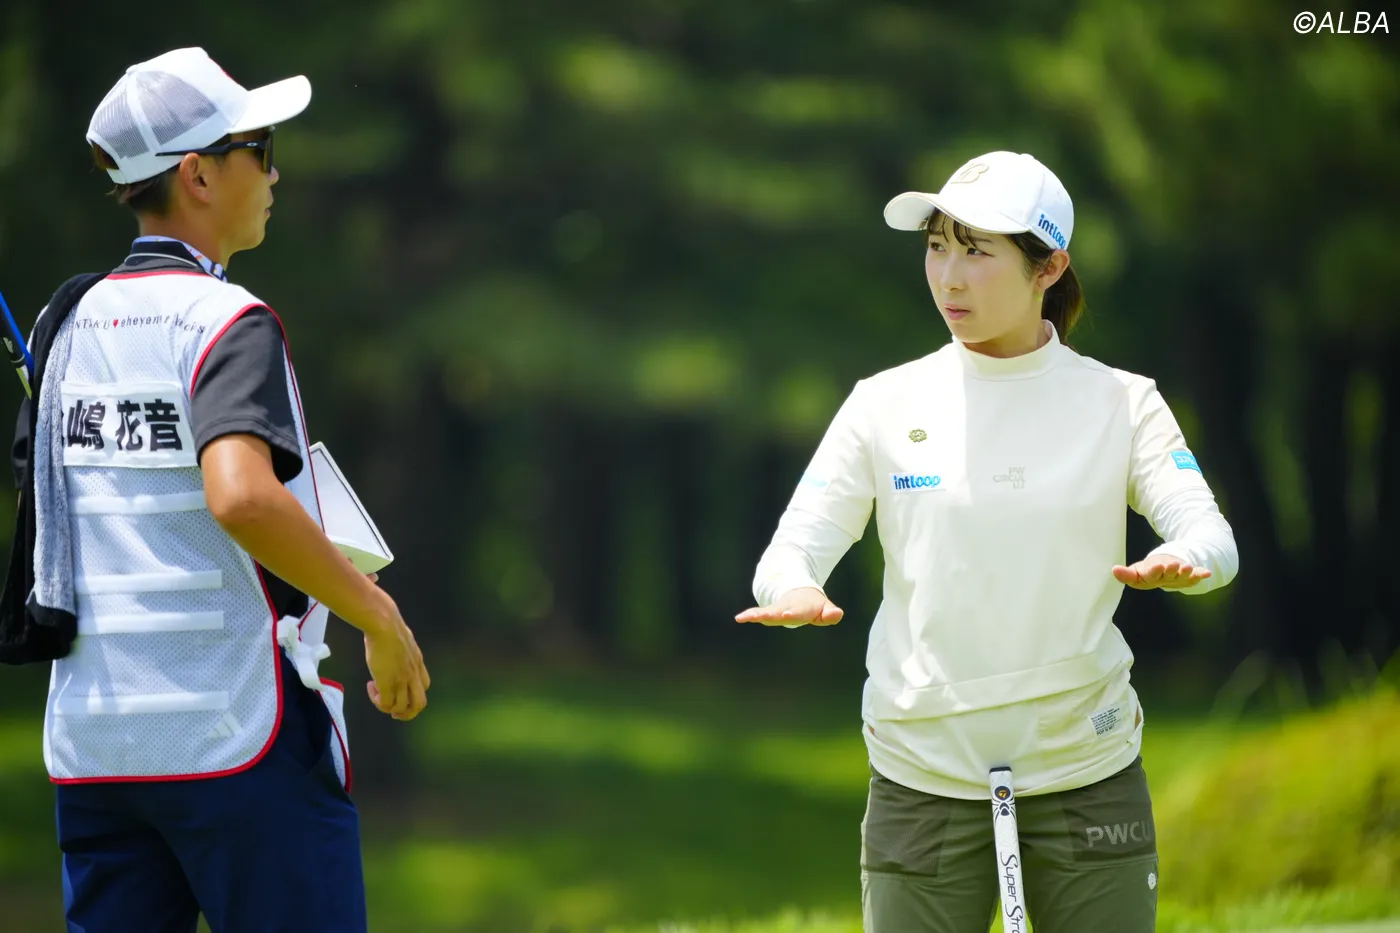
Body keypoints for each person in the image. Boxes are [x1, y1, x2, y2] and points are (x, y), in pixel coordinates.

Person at [735, 150, 1239, 932]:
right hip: (920, 775)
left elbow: (1210, 535)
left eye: (977, 252)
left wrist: (1187, 559)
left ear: (1050, 267)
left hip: (1085, 767)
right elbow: (790, 551)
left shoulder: (1122, 402)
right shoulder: (884, 402)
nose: (950, 277)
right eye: (937, 247)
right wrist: (794, 588)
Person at [0, 48, 430, 933]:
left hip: (100, 748)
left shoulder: (65, 322)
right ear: (198, 174)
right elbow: (241, 497)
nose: (274, 173)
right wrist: (378, 616)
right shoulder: (228, 321)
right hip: (238, 737)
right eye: (259, 149)